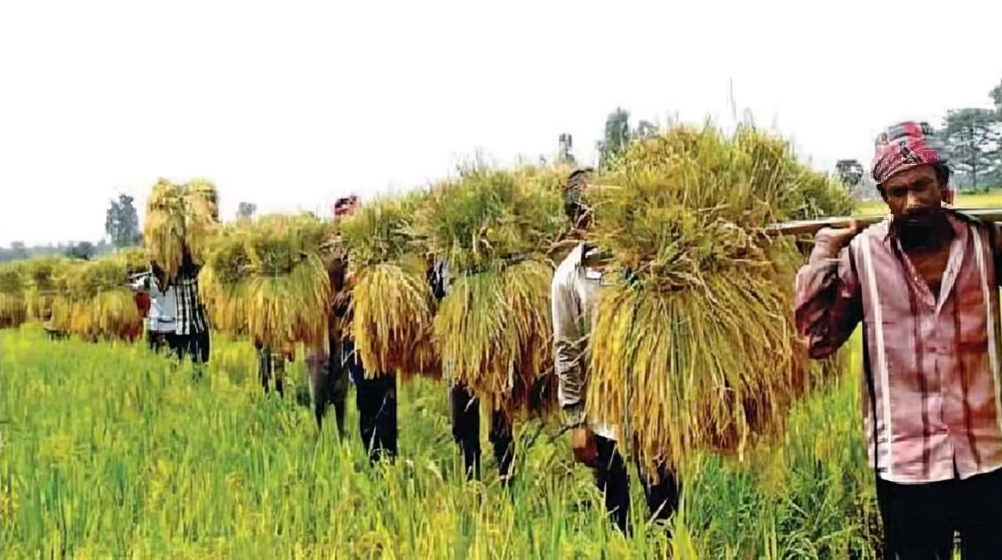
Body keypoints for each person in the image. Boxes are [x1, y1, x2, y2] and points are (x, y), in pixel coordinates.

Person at [795, 121, 1002, 559]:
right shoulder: (862, 257)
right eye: (896, 192)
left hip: (989, 455)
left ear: (944, 186)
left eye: (922, 186)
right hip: (908, 466)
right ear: (884, 198)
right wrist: (822, 255)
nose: (911, 202)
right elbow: (817, 339)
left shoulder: (987, 242)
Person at [551, 168, 682, 535]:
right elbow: (566, 350)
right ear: (574, 222)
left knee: (665, 504)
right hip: (603, 408)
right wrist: (576, 421)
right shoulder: (567, 277)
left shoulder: (643, 260)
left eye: (596, 211)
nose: (589, 222)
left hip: (651, 402)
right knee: (615, 510)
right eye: (580, 216)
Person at [332, 195, 397, 464]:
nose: (344, 220)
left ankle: (390, 461)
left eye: (349, 214)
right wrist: (350, 296)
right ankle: (374, 460)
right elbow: (333, 302)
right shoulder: (337, 257)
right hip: (354, 341)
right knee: (366, 402)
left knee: (387, 401)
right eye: (340, 216)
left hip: (380, 339)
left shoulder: (376, 249)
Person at [171, 248, 210, 368]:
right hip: (196, 328)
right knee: (200, 365)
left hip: (179, 328)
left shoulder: (171, 278)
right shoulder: (199, 278)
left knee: (175, 366)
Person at [129, 265, 177, 354]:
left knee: (168, 358)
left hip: (169, 327)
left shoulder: (175, 279)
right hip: (157, 326)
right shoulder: (149, 280)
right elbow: (134, 287)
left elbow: (134, 287)